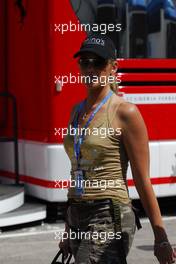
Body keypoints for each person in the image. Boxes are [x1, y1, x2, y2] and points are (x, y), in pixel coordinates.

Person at [59, 33, 176, 264]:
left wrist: (160, 236)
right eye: (85, 62)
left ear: (113, 67)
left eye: (98, 62)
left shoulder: (125, 112)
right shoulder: (76, 111)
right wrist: (68, 228)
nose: (91, 68)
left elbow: (143, 180)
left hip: (108, 214)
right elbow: (76, 170)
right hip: (77, 213)